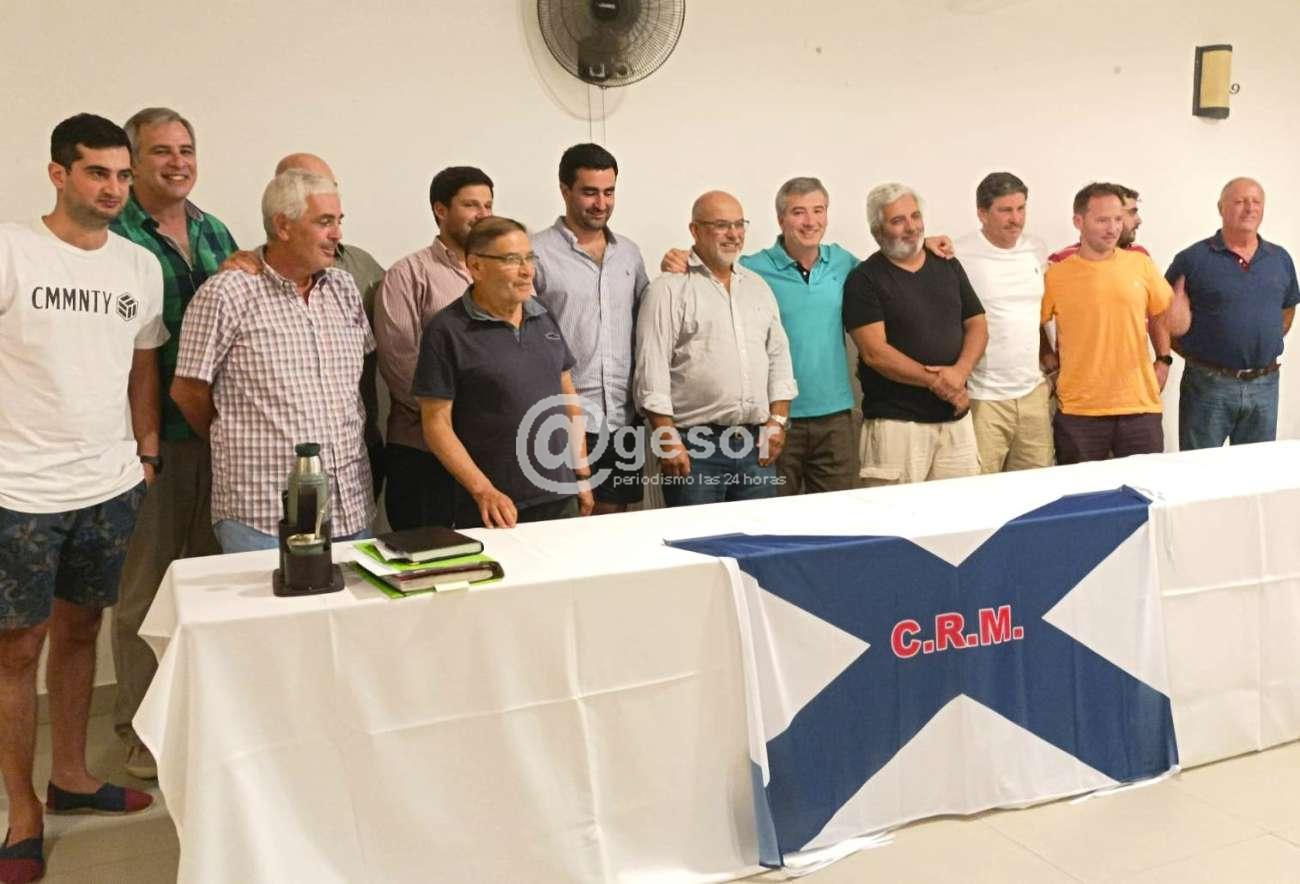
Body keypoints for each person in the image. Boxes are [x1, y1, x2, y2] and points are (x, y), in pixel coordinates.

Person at [0, 114, 163, 883]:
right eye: (98, 172)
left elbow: (142, 366)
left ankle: (70, 775)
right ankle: (23, 812)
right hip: (19, 488)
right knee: (16, 649)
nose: (113, 189)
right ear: (58, 173)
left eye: (123, 175)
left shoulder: (138, 266)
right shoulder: (11, 250)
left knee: (81, 632)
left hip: (108, 483)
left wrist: (146, 450)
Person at [108, 107, 237, 781]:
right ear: (133, 162)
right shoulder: (113, 234)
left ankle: (200, 719)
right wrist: (144, 443)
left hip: (220, 435)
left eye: (186, 148)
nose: (177, 162)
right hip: (149, 440)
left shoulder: (215, 229)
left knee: (212, 584)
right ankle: (140, 730)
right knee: (145, 592)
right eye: (161, 151)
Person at [171, 169, 375, 551]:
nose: (337, 234)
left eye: (339, 221)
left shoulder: (344, 288)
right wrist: (233, 435)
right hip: (261, 513)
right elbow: (187, 391)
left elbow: (355, 387)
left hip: (349, 506)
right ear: (283, 226)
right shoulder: (228, 293)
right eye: (324, 222)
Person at [222, 153, 387, 500]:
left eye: (329, 187)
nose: (334, 230)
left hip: (355, 455)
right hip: (272, 479)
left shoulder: (360, 271)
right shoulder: (243, 279)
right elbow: (194, 389)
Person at [413, 217, 593, 527]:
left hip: (559, 496)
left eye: (529, 258)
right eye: (512, 260)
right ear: (476, 266)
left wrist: (582, 472)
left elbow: (567, 396)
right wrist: (483, 491)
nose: (526, 271)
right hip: (494, 506)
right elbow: (436, 424)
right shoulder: (447, 331)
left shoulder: (543, 316)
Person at [634, 191, 797, 506]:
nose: (733, 234)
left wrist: (777, 421)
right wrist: (666, 436)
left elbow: (779, 358)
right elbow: (651, 368)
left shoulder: (758, 288)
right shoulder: (667, 289)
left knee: (759, 533)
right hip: (694, 449)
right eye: (721, 225)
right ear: (695, 230)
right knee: (698, 536)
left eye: (739, 224)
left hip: (756, 447)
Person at [843, 183, 987, 485]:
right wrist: (937, 381)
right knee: (896, 513)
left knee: (964, 510)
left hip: (956, 422)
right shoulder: (863, 279)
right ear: (877, 231)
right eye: (898, 220)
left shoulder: (948, 264)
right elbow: (875, 353)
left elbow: (977, 323)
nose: (911, 227)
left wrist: (960, 372)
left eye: (915, 216)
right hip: (897, 427)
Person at [533, 144, 649, 513]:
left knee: (617, 524)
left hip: (622, 418)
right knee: (567, 523)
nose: (601, 203)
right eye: (589, 192)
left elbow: (646, 323)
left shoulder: (629, 253)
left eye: (609, 192)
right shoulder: (535, 253)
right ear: (564, 190)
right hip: (561, 421)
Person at [376, 167, 494, 529]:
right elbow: (402, 367)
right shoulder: (408, 274)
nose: (483, 215)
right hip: (423, 455)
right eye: (471, 205)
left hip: (491, 451)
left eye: (488, 205)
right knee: (428, 556)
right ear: (440, 210)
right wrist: (457, 421)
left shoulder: (501, 271)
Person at [1041, 183, 1174, 463]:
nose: (1113, 228)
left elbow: (1162, 312)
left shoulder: (1141, 265)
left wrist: (1164, 360)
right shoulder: (1056, 274)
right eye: (1102, 220)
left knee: (1145, 487)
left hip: (1140, 406)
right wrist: (1048, 361)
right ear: (1079, 221)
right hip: (1080, 411)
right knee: (1083, 490)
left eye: (1117, 219)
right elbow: (1033, 323)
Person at [1168, 177, 1298, 448]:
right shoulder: (1192, 259)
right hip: (1207, 386)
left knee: (1255, 469)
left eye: (1256, 202)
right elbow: (1162, 319)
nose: (1249, 208)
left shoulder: (1280, 259)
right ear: (1221, 208)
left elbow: (1287, 309)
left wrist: (1257, 342)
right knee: (1200, 467)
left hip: (1265, 384)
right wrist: (1201, 357)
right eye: (1239, 201)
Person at [953, 172, 1053, 472]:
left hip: (1032, 391)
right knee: (980, 488)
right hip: (983, 396)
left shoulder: (1036, 249)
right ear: (982, 213)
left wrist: (1049, 360)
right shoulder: (959, 254)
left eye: (1021, 208)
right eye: (1005, 210)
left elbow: (1035, 315)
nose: (1016, 219)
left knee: (1036, 489)